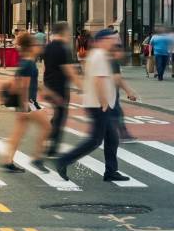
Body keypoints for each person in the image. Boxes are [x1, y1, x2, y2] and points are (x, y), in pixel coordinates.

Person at [54, 29, 129, 183]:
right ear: (103, 40)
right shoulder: (99, 55)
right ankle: (64, 160)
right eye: (112, 38)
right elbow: (99, 80)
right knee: (95, 140)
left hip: (100, 103)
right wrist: (103, 101)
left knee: (112, 138)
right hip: (99, 104)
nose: (115, 41)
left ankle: (111, 171)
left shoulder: (99, 55)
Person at [0, 33, 49, 173]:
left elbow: (19, 84)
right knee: (47, 126)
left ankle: (7, 160)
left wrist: (40, 89)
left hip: (24, 104)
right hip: (28, 103)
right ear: (31, 46)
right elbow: (24, 87)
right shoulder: (29, 64)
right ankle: (37, 158)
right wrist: (24, 108)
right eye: (36, 45)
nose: (39, 47)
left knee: (18, 133)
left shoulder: (24, 62)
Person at [40, 22, 79, 158]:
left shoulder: (48, 47)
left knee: (57, 115)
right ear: (63, 32)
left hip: (49, 84)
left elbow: (45, 67)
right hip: (59, 87)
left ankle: (47, 139)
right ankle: (51, 148)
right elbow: (69, 70)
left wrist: (44, 86)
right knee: (60, 116)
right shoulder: (63, 48)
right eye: (68, 31)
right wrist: (81, 86)